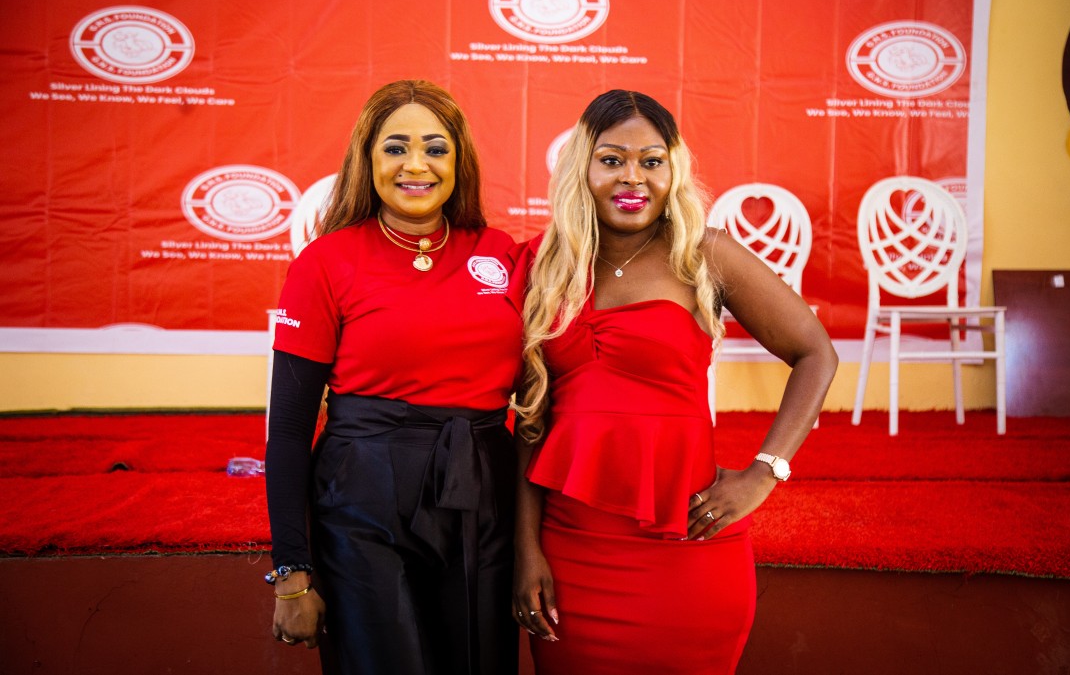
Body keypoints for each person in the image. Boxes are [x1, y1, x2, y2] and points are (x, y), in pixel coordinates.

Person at [510, 89, 838, 674]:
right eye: (612, 159)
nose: (632, 177)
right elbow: (531, 421)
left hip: (688, 548)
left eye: (651, 161)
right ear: (581, 166)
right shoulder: (543, 264)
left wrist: (765, 473)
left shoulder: (704, 254)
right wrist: (525, 548)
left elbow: (815, 352)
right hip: (571, 550)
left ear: (673, 169)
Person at [264, 79, 522, 675]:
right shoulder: (325, 262)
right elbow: (289, 430)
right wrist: (291, 572)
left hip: (482, 493)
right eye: (395, 148)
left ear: (459, 161)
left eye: (436, 148)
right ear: (367, 159)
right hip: (363, 500)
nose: (416, 165)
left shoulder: (502, 253)